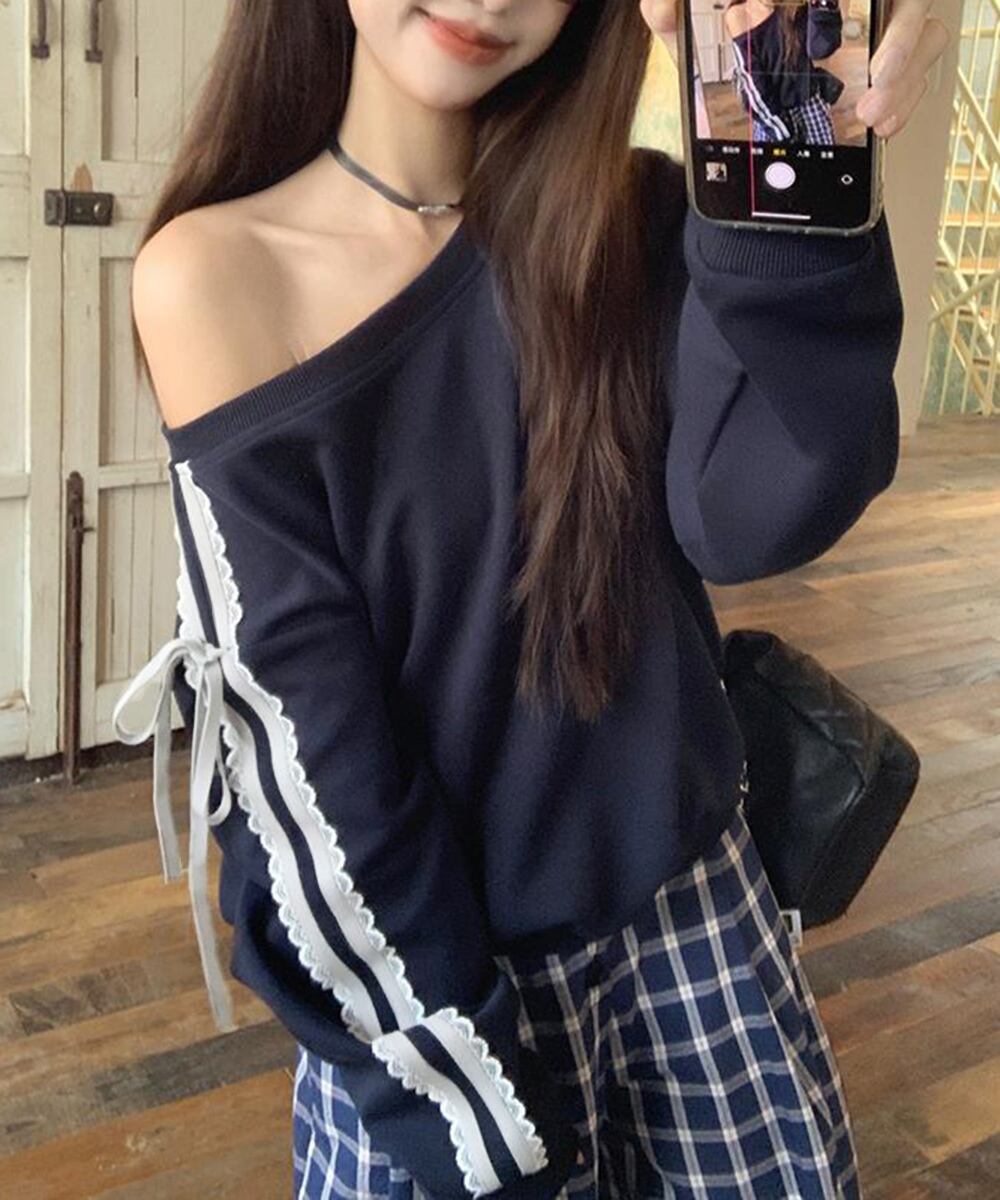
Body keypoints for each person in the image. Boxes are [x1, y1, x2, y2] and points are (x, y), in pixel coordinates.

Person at [112, 0, 948, 1196]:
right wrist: (466, 1109)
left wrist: (791, 133)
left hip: (700, 932)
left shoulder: (640, 217)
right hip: (434, 1008)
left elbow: (750, 519)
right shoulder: (217, 276)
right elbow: (308, 758)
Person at [724, 0, 846, 145]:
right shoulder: (738, 14)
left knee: (822, 159)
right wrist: (781, 129)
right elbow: (753, 85)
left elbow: (820, 49)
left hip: (809, 103)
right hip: (771, 116)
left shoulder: (796, 5)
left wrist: (824, 6)